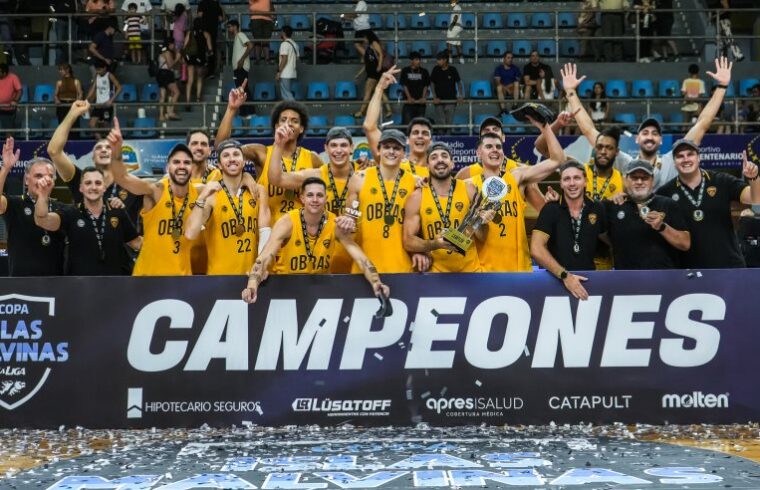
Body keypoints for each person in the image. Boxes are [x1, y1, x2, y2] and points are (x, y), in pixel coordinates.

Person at [559, 58, 733, 190]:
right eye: (645, 132)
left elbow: (702, 124)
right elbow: (589, 130)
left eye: (655, 133)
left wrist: (722, 87)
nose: (650, 136)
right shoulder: (626, 163)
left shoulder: (672, 161)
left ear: (661, 140)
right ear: (637, 139)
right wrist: (570, 92)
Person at [242, 177, 389, 303]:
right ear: (302, 198)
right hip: (286, 287)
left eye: (319, 195)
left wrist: (376, 282)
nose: (315, 199)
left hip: (320, 289)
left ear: (326, 198)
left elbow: (360, 258)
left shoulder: (334, 223)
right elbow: (265, 256)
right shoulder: (287, 222)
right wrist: (252, 284)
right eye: (310, 195)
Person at [472, 116, 565, 272]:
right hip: (485, 272)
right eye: (488, 146)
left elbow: (558, 160)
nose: (495, 150)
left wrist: (544, 127)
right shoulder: (468, 184)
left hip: (520, 269)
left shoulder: (517, 176)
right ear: (478, 153)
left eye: (498, 146)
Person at [109, 118, 199, 275]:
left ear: (192, 168)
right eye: (176, 162)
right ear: (168, 167)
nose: (182, 166)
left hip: (182, 279)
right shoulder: (155, 190)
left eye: (186, 162)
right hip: (149, 278)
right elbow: (122, 177)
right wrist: (116, 152)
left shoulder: (199, 192)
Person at [216, 90, 324, 221]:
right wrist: (231, 109)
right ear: (277, 126)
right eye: (283, 120)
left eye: (294, 121)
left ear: (301, 128)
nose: (288, 123)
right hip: (267, 229)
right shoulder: (262, 152)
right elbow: (222, 147)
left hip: (301, 230)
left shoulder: (312, 158)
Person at [656, 139, 760, 268]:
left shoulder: (721, 181)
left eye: (690, 154)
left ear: (699, 158)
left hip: (729, 266)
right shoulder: (665, 192)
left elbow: (755, 199)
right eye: (680, 156)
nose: (686, 159)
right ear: (674, 162)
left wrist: (754, 177)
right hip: (688, 270)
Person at [267, 126, 357, 273]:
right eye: (334, 145)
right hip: (321, 262)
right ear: (326, 148)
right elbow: (276, 179)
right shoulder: (315, 176)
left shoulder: (363, 176)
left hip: (354, 260)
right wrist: (278, 145)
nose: (338, 150)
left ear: (352, 148)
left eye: (343, 145)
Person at [48, 100, 142, 229]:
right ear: (93, 157)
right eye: (99, 148)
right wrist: (72, 114)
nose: (103, 150)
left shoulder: (131, 184)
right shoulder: (81, 179)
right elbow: (54, 151)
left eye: (108, 148)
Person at [33, 166, 141, 275]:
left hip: (115, 282)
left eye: (98, 183)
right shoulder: (71, 213)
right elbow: (42, 220)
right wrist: (42, 195)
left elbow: (136, 242)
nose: (93, 187)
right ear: (81, 188)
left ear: (104, 187)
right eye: (88, 183)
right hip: (79, 283)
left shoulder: (117, 211)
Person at [338, 128, 419, 273]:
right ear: (379, 150)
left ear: (404, 153)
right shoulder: (360, 178)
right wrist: (348, 219)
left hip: (402, 266)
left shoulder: (414, 182)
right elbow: (350, 215)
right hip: (365, 267)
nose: (391, 151)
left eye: (396, 148)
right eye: (386, 147)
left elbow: (420, 225)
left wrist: (421, 251)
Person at [403, 142, 492, 272]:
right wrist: (433, 244)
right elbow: (408, 241)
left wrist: (482, 222)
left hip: (471, 272)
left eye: (444, 156)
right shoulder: (417, 197)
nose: (440, 160)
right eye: (434, 157)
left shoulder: (469, 189)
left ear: (452, 163)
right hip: (435, 274)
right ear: (427, 166)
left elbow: (482, 236)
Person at [185, 139, 270, 275]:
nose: (232, 159)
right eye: (226, 155)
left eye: (236, 154)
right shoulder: (211, 194)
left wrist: (260, 265)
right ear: (219, 164)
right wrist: (201, 199)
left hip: (250, 276)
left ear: (244, 161)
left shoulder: (258, 191)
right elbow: (191, 232)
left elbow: (265, 232)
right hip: (219, 278)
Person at [531, 160, 606, 300]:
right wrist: (565, 276)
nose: (572, 183)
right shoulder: (551, 209)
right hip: (555, 283)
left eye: (577, 178)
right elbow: (536, 248)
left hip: (589, 284)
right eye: (566, 179)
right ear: (561, 183)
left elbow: (609, 242)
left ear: (585, 181)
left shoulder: (597, 208)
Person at [603, 159, 690, 269]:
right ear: (625, 180)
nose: (639, 182)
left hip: (663, 276)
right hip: (625, 277)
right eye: (634, 178)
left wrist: (662, 227)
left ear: (652, 180)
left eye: (644, 178)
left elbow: (685, 244)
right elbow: (596, 231)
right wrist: (617, 242)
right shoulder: (613, 206)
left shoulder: (668, 204)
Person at [455, 115, 547, 214]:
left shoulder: (521, 171)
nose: (491, 132)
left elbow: (543, 209)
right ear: (481, 141)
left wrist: (551, 200)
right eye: (486, 130)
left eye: (495, 129)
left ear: (503, 137)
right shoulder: (465, 174)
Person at [0, 138, 66, 276]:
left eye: (49, 176)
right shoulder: (15, 204)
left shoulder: (62, 208)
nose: (44, 180)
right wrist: (5, 169)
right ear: (26, 180)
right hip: (21, 283)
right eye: (38, 176)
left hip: (55, 284)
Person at [363, 69, 432, 176]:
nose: (420, 136)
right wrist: (379, 88)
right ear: (407, 140)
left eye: (425, 133)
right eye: (415, 132)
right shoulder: (394, 162)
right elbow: (369, 126)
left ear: (431, 141)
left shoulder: (438, 170)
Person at [354, 30, 390, 119]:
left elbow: (380, 54)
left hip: (374, 72)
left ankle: (361, 112)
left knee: (367, 93)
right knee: (380, 92)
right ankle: (389, 110)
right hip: (371, 71)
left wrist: (379, 66)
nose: (364, 40)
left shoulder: (374, 43)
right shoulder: (368, 48)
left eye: (364, 38)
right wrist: (359, 74)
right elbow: (367, 64)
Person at [86, 60, 121, 140]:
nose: (98, 72)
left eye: (99, 70)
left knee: (105, 126)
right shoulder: (97, 76)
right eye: (97, 70)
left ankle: (112, 140)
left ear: (104, 68)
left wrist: (111, 100)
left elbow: (119, 87)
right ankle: (100, 141)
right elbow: (93, 88)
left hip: (106, 105)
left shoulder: (109, 75)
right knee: (92, 124)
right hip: (98, 105)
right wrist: (86, 99)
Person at [183, 18, 213, 108]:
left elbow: (185, 46)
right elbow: (210, 49)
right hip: (200, 58)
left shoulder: (190, 33)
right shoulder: (206, 34)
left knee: (190, 80)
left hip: (191, 58)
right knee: (199, 79)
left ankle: (187, 101)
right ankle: (198, 98)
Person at [227, 19, 254, 117]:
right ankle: (244, 113)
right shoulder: (236, 37)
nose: (228, 29)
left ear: (235, 27)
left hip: (241, 68)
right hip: (238, 69)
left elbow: (250, 45)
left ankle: (250, 112)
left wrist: (242, 59)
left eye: (229, 27)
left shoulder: (240, 35)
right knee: (240, 90)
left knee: (243, 89)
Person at [399, 52, 430, 125]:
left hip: (420, 104)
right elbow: (404, 85)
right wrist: (409, 98)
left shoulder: (424, 71)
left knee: (419, 124)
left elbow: (426, 86)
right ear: (411, 61)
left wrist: (423, 97)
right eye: (416, 60)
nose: (418, 61)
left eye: (419, 60)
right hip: (408, 103)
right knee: (408, 124)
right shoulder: (405, 70)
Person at [197, 0, 225, 76]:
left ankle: (202, 70)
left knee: (202, 49)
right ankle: (211, 71)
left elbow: (200, 15)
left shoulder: (202, 3)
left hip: (203, 29)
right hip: (213, 30)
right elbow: (220, 18)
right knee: (212, 49)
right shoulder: (216, 4)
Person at [157, 38, 181, 122]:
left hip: (160, 74)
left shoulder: (161, 53)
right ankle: (170, 112)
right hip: (167, 74)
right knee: (176, 92)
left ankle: (161, 115)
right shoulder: (167, 53)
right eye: (173, 44)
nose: (174, 46)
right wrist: (177, 58)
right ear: (170, 44)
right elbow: (170, 65)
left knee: (163, 95)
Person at [276, 25, 298, 101]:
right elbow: (297, 58)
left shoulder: (284, 44)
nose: (280, 33)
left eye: (281, 32)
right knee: (287, 93)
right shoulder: (295, 44)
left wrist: (279, 72)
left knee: (286, 94)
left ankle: (295, 107)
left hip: (285, 73)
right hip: (292, 72)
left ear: (283, 33)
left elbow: (284, 59)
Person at [248, 0, 274, 64]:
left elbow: (270, 3)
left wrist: (273, 13)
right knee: (257, 40)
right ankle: (257, 60)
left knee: (266, 40)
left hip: (268, 18)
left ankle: (267, 60)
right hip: (256, 17)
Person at [0, 64, 21, 133]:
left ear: (4, 73)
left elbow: (19, 90)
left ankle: (9, 140)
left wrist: (15, 100)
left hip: (9, 109)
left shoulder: (13, 77)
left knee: (9, 129)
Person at [446, 0, 464, 64]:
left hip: (454, 27)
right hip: (457, 27)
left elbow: (456, 17)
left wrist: (451, 26)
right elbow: (450, 6)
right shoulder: (456, 6)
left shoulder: (456, 7)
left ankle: (450, 59)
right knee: (457, 44)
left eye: (452, 0)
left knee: (449, 43)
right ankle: (461, 59)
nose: (451, 1)